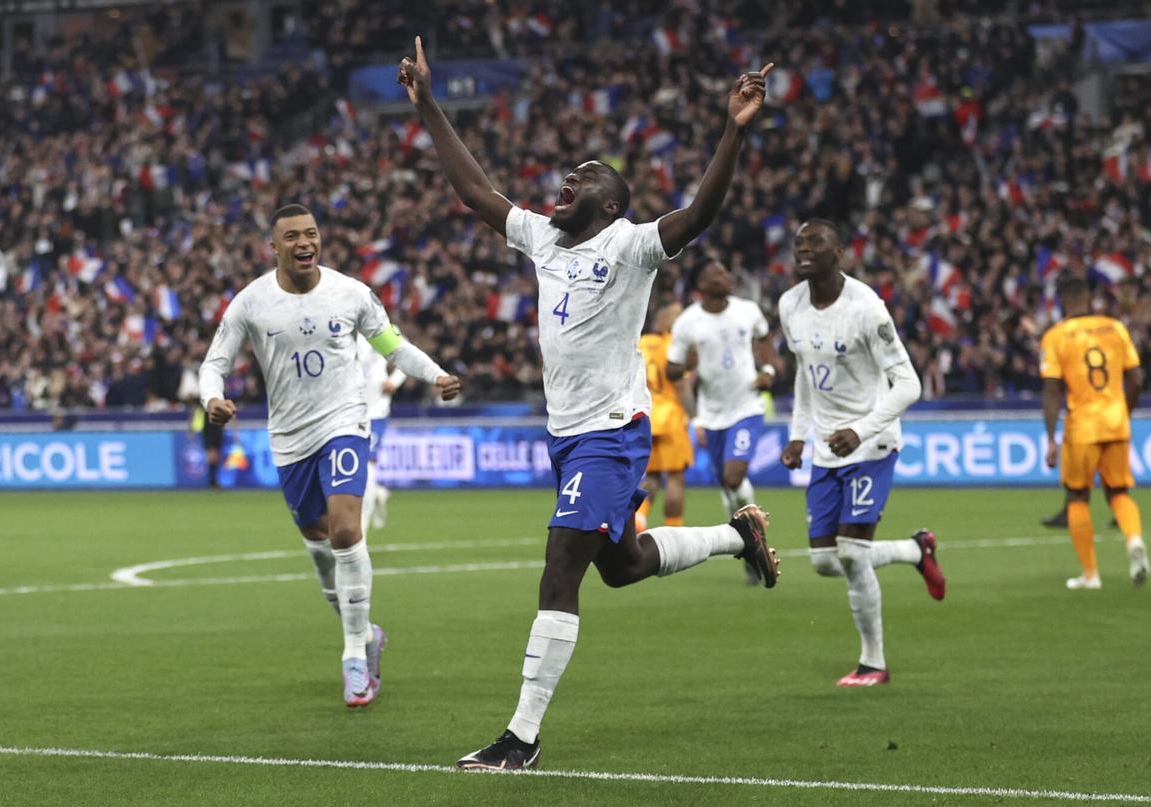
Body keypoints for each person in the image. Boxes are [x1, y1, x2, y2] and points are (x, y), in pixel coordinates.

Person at [399, 37, 779, 769]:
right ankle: (739, 535)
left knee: (559, 569)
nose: (565, 182)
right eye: (567, 176)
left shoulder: (632, 245)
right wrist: (427, 105)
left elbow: (698, 214)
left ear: (608, 203)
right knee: (624, 564)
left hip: (612, 429)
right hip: (568, 434)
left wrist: (733, 128)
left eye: (582, 180)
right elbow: (476, 192)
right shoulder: (544, 239)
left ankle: (522, 736)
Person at [199, 203, 461, 707]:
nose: (304, 243)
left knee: (345, 530)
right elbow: (215, 364)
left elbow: (393, 346)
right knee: (320, 552)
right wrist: (212, 398)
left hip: (345, 424)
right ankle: (368, 634)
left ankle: (354, 660)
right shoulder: (251, 303)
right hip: (290, 439)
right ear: (273, 247)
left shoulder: (351, 293)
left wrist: (435, 374)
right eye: (292, 236)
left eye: (312, 233)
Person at [779, 219, 946, 688]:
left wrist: (861, 429)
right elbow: (804, 372)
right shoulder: (790, 304)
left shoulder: (867, 309)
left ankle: (873, 662)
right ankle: (916, 549)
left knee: (852, 555)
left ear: (841, 253)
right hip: (828, 447)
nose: (804, 249)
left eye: (816, 242)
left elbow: (909, 383)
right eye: (799, 243)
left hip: (872, 442)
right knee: (825, 561)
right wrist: (798, 434)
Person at [1040, 275, 1148, 589]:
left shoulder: (1056, 336)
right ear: (1089, 299)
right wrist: (1123, 412)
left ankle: (1090, 575)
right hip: (1116, 422)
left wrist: (1050, 437)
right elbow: (1138, 378)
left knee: (1077, 496)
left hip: (1082, 427)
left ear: (1063, 302)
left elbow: (1051, 390)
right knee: (1118, 492)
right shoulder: (1115, 328)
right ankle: (1134, 540)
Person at [666, 261, 777, 536]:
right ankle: (746, 541)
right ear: (701, 285)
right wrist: (686, 366)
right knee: (729, 488)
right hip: (713, 415)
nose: (726, 276)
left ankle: (755, 533)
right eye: (717, 273)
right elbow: (671, 369)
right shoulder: (687, 322)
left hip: (747, 406)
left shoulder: (747, 310)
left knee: (733, 476)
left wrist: (768, 370)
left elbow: (764, 339)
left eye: (726, 272)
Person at [634, 302, 693, 532]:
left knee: (653, 476)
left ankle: (639, 517)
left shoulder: (644, 343)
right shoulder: (675, 346)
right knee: (676, 478)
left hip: (648, 415)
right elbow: (681, 387)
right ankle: (674, 530)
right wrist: (694, 416)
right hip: (671, 417)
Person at [357, 332, 406, 535]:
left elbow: (407, 354)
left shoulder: (381, 330)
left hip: (375, 411)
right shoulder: (341, 329)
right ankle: (378, 492)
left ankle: (360, 533)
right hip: (347, 410)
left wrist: (394, 381)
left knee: (367, 465)